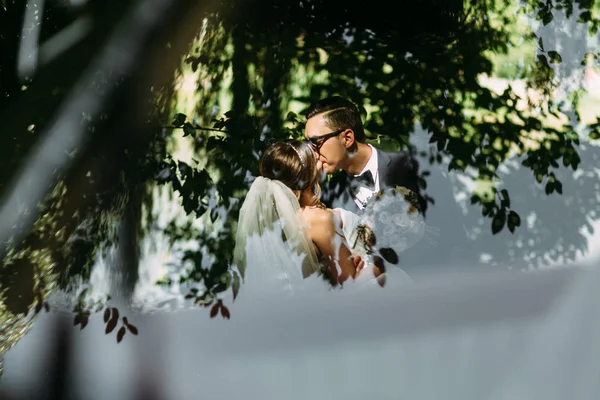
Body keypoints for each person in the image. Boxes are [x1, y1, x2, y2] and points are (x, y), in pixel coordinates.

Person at [304, 95, 471, 278]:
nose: (312, 151)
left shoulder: (415, 166)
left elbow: (455, 236)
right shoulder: (331, 198)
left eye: (315, 142)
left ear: (347, 137)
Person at [232, 140, 383, 297]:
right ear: (307, 174)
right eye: (315, 158)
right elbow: (351, 283)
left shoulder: (274, 221)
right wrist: (383, 263)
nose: (318, 155)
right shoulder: (318, 219)